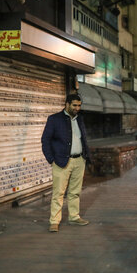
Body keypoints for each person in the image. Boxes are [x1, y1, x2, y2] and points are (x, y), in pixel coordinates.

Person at [41, 93, 91, 233]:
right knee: (58, 193)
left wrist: (85, 156)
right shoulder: (54, 119)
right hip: (62, 161)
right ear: (67, 104)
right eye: (74, 105)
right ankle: (54, 221)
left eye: (79, 106)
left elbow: (83, 138)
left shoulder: (80, 119)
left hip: (79, 160)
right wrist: (51, 159)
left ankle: (74, 217)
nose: (77, 108)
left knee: (75, 192)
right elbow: (45, 140)